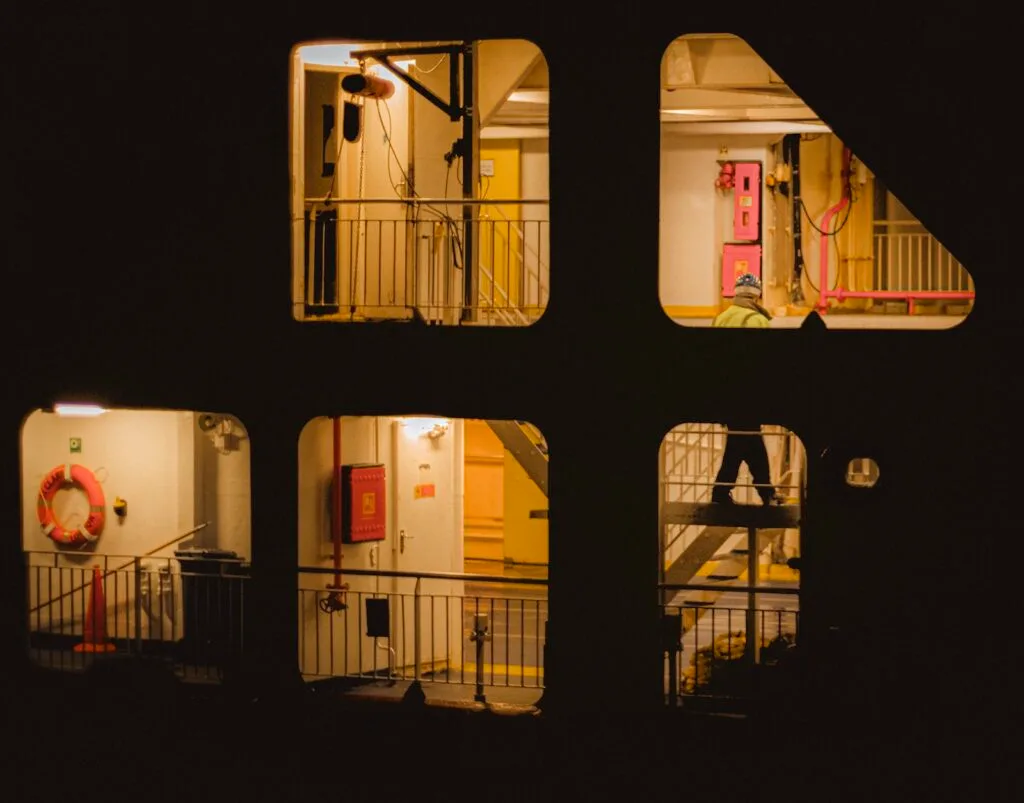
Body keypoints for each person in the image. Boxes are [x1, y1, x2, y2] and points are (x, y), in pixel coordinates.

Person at [710, 273, 785, 506]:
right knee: (747, 442)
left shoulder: (720, 319)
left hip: (724, 395)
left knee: (744, 441)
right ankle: (731, 493)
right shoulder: (759, 321)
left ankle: (759, 492)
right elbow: (768, 363)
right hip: (749, 395)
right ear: (756, 296)